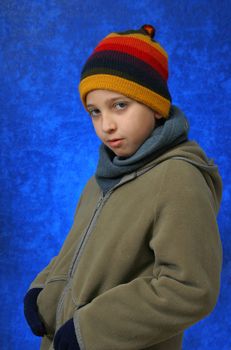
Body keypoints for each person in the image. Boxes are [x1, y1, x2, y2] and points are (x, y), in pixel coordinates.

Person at [23, 24, 223, 350]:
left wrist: (90, 331)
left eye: (120, 105)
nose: (106, 125)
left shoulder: (178, 178)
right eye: (95, 112)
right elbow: (79, 250)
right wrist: (42, 288)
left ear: (155, 107)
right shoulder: (99, 180)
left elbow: (189, 287)